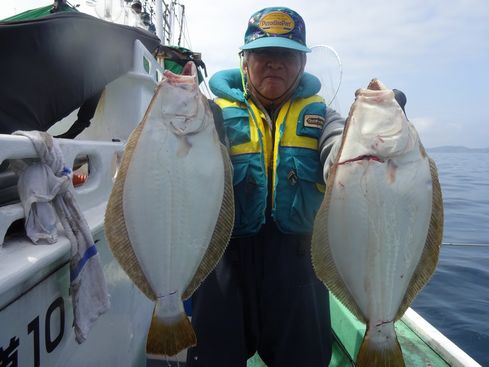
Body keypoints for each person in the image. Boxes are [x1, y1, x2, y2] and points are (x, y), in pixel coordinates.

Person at [186, 7, 343, 367]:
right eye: (263, 54)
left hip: (299, 266)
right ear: (244, 62)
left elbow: (340, 142)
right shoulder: (209, 114)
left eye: (286, 55)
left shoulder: (322, 116)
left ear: (301, 65)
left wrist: (346, 162)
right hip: (224, 260)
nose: (274, 64)